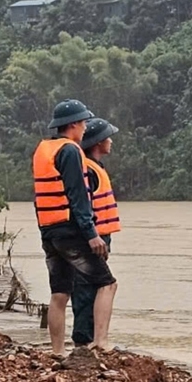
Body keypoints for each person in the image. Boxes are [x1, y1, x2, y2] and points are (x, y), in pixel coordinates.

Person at [33, 99, 117, 354]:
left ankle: (57, 352)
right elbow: (77, 196)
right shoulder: (70, 151)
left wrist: (46, 232)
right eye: (82, 123)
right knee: (107, 283)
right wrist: (91, 234)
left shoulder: (43, 149)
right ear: (72, 125)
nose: (84, 128)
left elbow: (41, 197)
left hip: (49, 231)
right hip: (71, 232)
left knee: (60, 293)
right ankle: (99, 341)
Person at [72, 117, 121, 347]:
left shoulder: (94, 167)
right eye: (107, 137)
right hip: (91, 237)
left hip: (99, 235)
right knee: (88, 287)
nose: (111, 141)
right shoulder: (88, 170)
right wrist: (92, 235)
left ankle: (90, 338)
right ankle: (86, 340)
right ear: (98, 142)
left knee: (92, 286)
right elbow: (82, 206)